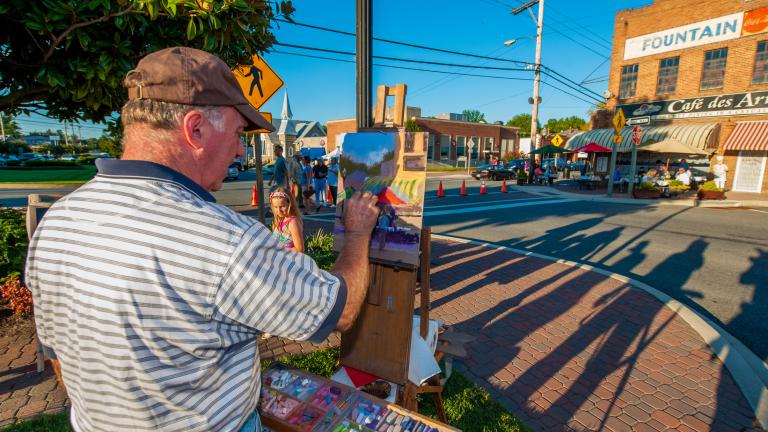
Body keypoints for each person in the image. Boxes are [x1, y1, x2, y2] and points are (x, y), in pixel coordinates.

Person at [25, 47, 380, 432]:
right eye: (238, 134)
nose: (240, 149)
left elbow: (56, 352)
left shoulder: (59, 219)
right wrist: (358, 233)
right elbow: (339, 312)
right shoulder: (224, 240)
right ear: (195, 129)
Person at [270, 187, 303, 252]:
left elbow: (299, 249)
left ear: (290, 204)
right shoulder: (279, 220)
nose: (279, 210)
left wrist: (279, 250)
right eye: (275, 207)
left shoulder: (293, 222)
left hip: (290, 261)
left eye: (282, 206)